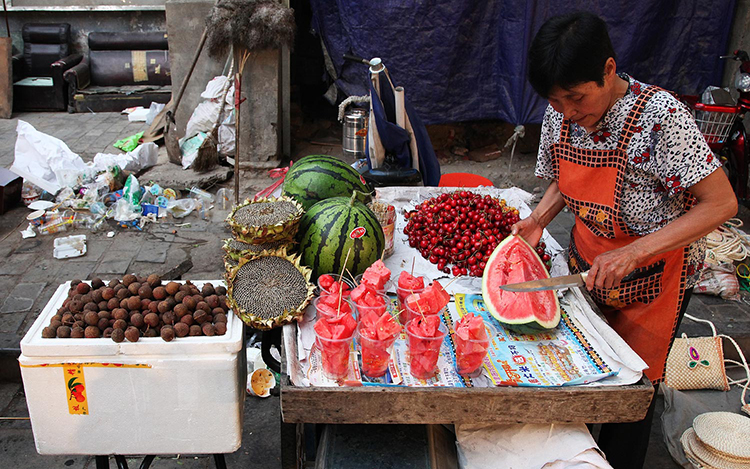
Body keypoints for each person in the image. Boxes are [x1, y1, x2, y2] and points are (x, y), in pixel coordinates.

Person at [513, 11, 738, 469]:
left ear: (609, 70)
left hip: (654, 281)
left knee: (632, 400)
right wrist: (539, 219)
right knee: (581, 378)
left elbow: (721, 204)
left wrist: (634, 251)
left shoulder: (662, 118)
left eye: (576, 98)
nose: (568, 113)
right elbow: (563, 179)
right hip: (587, 269)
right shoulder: (562, 117)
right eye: (555, 103)